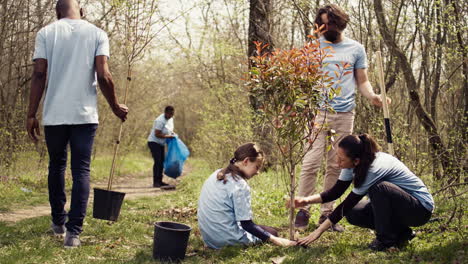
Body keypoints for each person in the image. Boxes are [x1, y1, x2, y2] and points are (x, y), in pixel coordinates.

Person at [26, 0, 128, 248]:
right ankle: (73, 234)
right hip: (84, 116)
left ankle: (58, 223)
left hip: (55, 115)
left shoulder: (46, 33)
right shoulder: (97, 33)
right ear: (82, 12)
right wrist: (115, 107)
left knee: (56, 166)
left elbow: (39, 74)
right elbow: (104, 75)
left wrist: (31, 114)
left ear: (57, 12)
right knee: (81, 170)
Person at [295, 4, 390, 232]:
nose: (326, 27)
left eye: (330, 23)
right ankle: (302, 210)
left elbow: (362, 80)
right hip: (318, 113)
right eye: (322, 23)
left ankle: (326, 213)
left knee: (336, 165)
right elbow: (303, 83)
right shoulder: (314, 48)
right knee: (310, 162)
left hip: (345, 113)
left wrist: (374, 96)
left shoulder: (356, 49)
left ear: (340, 24)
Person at [292, 134, 434, 251]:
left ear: (356, 160)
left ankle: (386, 241)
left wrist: (317, 232)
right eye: (337, 156)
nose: (337, 163)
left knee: (379, 188)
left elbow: (346, 204)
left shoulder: (373, 168)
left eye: (341, 159)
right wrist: (306, 201)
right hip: (399, 207)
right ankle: (402, 233)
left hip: (419, 210)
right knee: (353, 212)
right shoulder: (353, 163)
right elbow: (335, 192)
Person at [197, 143, 296, 249]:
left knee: (265, 229)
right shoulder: (239, 185)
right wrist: (277, 240)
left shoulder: (216, 174)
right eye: (256, 167)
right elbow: (246, 224)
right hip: (225, 241)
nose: (257, 172)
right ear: (246, 161)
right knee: (272, 232)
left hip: (209, 238)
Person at [147, 106, 176, 189]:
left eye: (172, 114)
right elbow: (157, 134)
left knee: (162, 162)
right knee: (158, 161)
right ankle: (156, 182)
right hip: (154, 142)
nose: (171, 116)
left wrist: (173, 134)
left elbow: (169, 130)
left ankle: (160, 181)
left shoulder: (170, 119)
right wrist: (168, 137)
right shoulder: (160, 120)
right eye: (169, 114)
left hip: (161, 143)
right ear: (165, 112)